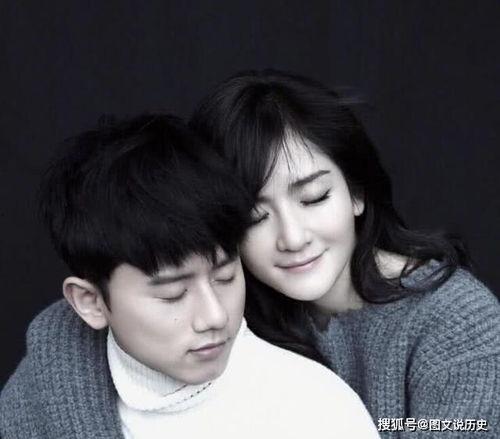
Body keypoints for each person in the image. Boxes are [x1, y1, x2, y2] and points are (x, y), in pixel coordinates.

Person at [0, 114, 379, 438]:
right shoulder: (36, 400)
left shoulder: (315, 410)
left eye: (225, 277)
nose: (215, 316)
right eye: (173, 294)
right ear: (91, 302)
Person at [190, 70, 500, 437]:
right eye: (255, 217)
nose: (292, 238)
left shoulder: (459, 321)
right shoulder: (220, 323)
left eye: (314, 198)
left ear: (356, 192)